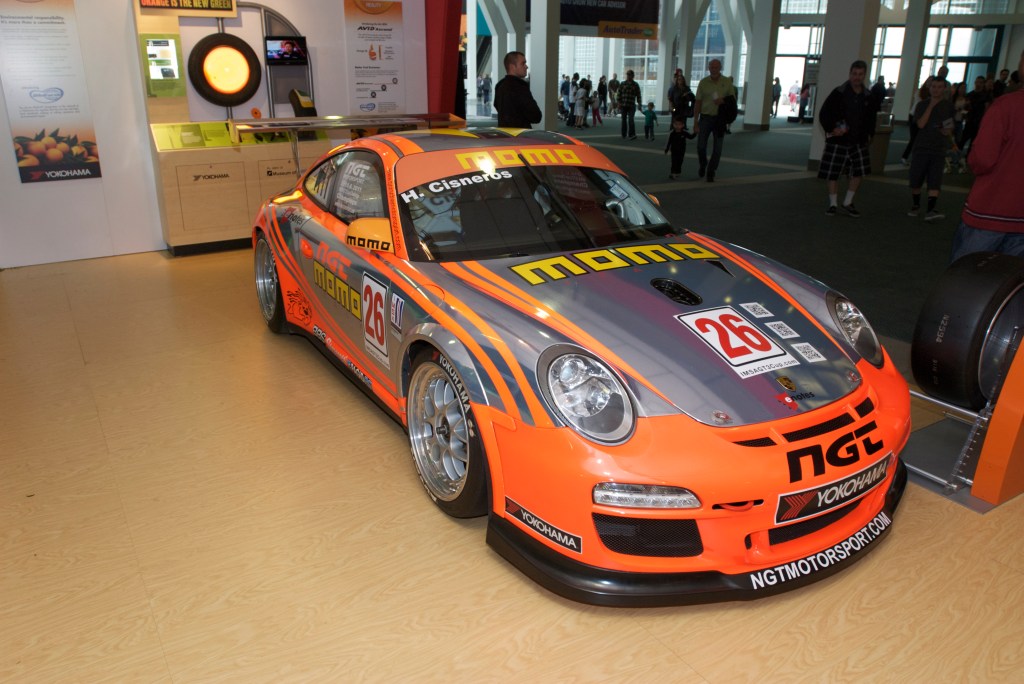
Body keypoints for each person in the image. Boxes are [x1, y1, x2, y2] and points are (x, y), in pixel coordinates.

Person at [950, 49, 1024, 261]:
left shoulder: (1005, 106)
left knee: (967, 279)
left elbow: (982, 159)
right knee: (1012, 285)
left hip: (991, 211)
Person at [817, 59, 878, 217]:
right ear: (850, 74)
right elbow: (824, 114)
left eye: (860, 74)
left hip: (858, 141)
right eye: (854, 74)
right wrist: (832, 129)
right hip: (838, 141)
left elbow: (872, 118)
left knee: (858, 172)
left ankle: (848, 202)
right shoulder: (838, 93)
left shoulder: (868, 96)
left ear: (864, 75)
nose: (856, 77)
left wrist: (870, 134)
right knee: (833, 173)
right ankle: (833, 204)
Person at [907, 78, 955, 221]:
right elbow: (920, 124)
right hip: (922, 147)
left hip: (938, 148)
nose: (936, 90)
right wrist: (931, 106)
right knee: (916, 178)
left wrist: (946, 130)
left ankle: (930, 209)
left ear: (944, 89)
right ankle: (916, 205)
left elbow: (949, 126)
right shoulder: (921, 105)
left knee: (935, 180)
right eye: (933, 87)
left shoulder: (948, 106)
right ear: (929, 88)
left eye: (939, 87)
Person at [693, 59, 735, 182]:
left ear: (720, 68)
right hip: (705, 117)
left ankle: (711, 170)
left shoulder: (727, 82)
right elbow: (698, 102)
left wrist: (723, 100)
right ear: (709, 68)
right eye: (712, 67)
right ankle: (703, 164)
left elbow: (732, 99)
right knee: (701, 146)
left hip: (720, 119)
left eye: (716, 67)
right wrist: (696, 121)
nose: (714, 69)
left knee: (718, 148)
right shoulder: (703, 82)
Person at [493, 51, 542, 129]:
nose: (526, 66)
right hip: (520, 136)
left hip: (503, 134)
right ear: (512, 67)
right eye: (523, 63)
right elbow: (536, 116)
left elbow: (497, 106)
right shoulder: (520, 87)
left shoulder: (499, 85)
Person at [617, 69, 642, 140]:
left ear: (633, 76)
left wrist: (639, 104)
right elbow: (619, 94)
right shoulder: (622, 84)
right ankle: (624, 134)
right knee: (623, 120)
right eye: (627, 74)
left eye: (630, 75)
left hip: (631, 105)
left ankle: (632, 134)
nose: (628, 76)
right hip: (623, 105)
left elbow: (638, 95)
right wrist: (619, 103)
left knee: (631, 120)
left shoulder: (635, 85)